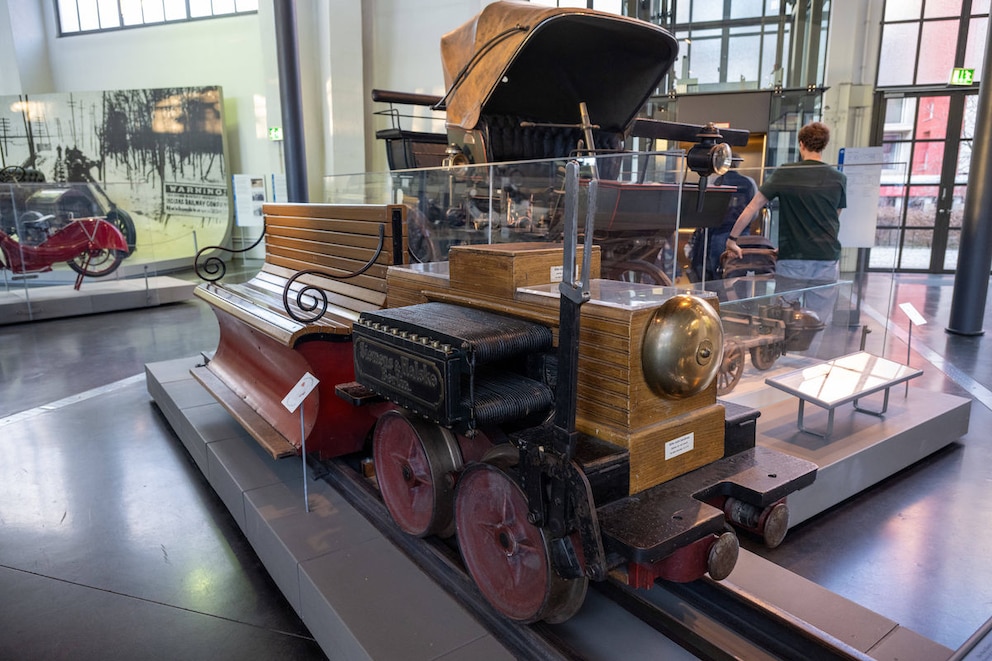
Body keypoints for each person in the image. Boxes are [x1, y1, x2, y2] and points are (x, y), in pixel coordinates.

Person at [725, 121, 847, 344]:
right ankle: (809, 368)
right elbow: (832, 218)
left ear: (801, 144)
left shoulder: (786, 173)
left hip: (793, 257)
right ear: (824, 146)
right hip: (827, 258)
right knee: (816, 322)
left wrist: (732, 239)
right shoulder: (838, 178)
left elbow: (753, 207)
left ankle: (783, 365)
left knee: (781, 320)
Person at [690, 163, 757, 282]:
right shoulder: (748, 182)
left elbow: (706, 210)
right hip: (743, 234)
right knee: (738, 273)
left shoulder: (715, 181)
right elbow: (754, 213)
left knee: (718, 275)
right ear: (738, 164)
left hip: (718, 232)